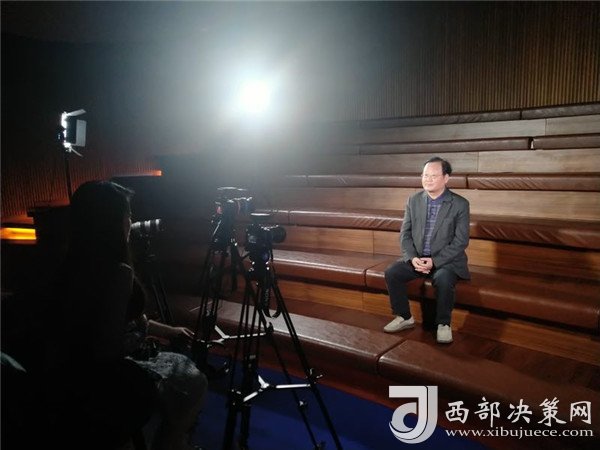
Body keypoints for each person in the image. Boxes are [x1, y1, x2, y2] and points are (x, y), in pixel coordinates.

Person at [42, 180, 206, 450]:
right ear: (110, 223)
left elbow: (125, 320)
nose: (131, 222)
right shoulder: (118, 273)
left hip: (67, 373)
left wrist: (169, 331)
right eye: (127, 215)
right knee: (193, 382)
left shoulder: (70, 264)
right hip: (103, 379)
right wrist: (138, 345)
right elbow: (106, 348)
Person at [383, 157, 470, 344]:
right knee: (392, 272)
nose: (428, 179)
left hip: (446, 262)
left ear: (446, 178)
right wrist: (412, 257)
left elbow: (461, 241)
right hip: (419, 258)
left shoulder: (460, 204)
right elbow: (405, 234)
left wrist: (435, 261)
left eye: (433, 176)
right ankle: (404, 317)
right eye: (425, 175)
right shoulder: (413, 200)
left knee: (443, 278)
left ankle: (443, 324)